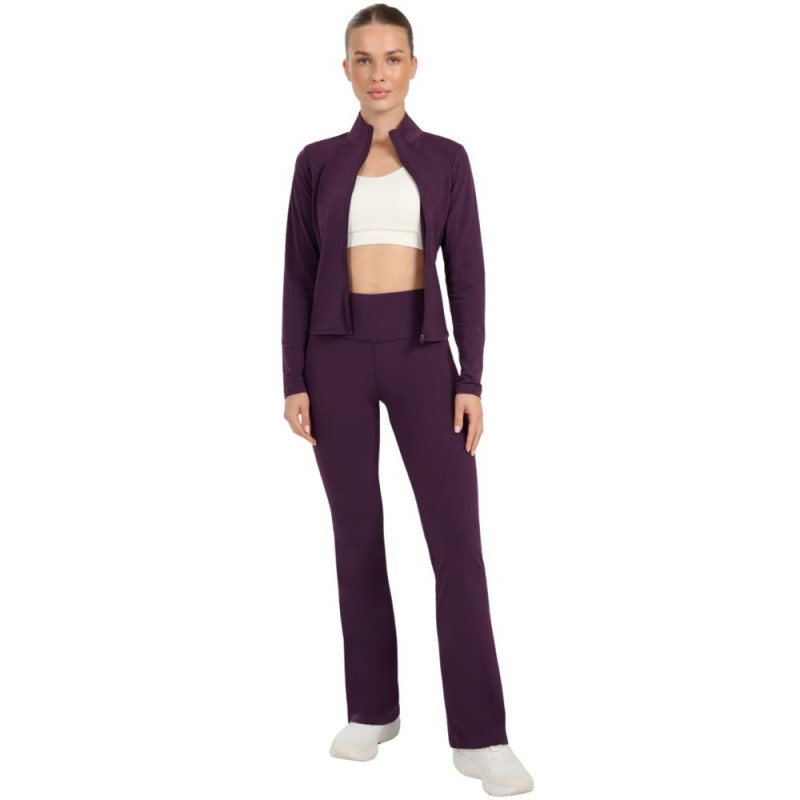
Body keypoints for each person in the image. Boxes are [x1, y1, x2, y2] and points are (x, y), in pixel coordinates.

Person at [281, 4, 534, 795]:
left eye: (392, 58)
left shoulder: (447, 159)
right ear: (346, 70)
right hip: (334, 359)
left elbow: (470, 275)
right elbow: (296, 274)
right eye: (364, 59)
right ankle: (372, 710)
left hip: (424, 359)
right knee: (356, 534)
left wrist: (471, 378)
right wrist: (293, 378)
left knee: (457, 543)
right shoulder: (318, 162)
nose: (379, 73)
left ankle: (481, 736)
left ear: (414, 66)